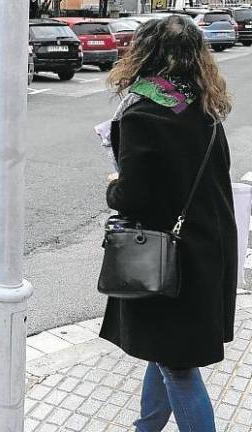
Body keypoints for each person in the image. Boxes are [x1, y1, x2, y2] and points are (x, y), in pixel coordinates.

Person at [99, 15, 235, 431]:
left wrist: (114, 187)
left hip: (168, 257)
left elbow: (134, 197)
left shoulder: (144, 110)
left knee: (177, 366)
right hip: (209, 245)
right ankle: (147, 426)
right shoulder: (200, 100)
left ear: (145, 52)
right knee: (165, 352)